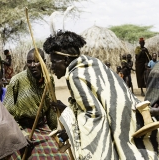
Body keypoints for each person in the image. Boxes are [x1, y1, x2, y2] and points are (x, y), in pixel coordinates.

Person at [43, 30, 159, 159]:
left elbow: (94, 115)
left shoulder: (75, 75)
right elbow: (96, 103)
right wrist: (66, 109)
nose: (51, 67)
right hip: (131, 119)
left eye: (53, 62)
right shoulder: (92, 64)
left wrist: (71, 129)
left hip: (122, 125)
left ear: (65, 60)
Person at [3, 48, 70, 159]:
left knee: (61, 157)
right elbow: (7, 113)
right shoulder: (17, 80)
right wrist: (21, 134)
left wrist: (53, 130)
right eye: (29, 62)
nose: (33, 65)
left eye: (36, 61)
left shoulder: (49, 80)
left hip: (42, 128)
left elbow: (51, 109)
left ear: (43, 61)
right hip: (21, 128)